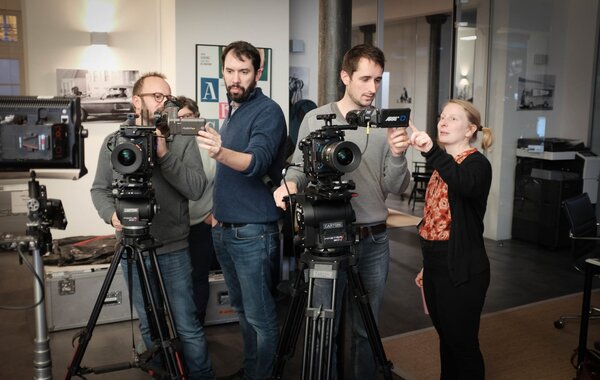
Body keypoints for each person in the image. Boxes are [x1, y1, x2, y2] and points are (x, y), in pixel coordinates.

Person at [273, 44, 412, 379]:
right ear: (345, 76)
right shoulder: (314, 118)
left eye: (378, 80)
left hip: (374, 239)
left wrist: (396, 154)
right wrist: (287, 185)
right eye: (365, 79)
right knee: (325, 327)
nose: (372, 88)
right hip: (328, 238)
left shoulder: (385, 124)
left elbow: (398, 186)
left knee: (367, 329)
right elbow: (299, 169)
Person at [90, 72, 214, 380]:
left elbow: (196, 188)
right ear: (136, 102)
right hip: (132, 248)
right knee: (148, 322)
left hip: (173, 247)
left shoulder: (181, 138)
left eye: (168, 98)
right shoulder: (114, 142)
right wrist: (111, 215)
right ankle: (162, 374)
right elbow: (99, 190)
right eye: (157, 97)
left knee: (186, 324)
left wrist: (163, 153)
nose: (164, 104)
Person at [196, 41, 287, 380]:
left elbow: (256, 162)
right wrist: (217, 211)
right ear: (222, 72)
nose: (236, 79)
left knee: (261, 317)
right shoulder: (233, 110)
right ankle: (252, 370)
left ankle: (263, 374)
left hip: (253, 232)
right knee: (243, 312)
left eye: (244, 72)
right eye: (230, 71)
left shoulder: (268, 111)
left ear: (258, 73)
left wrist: (220, 153)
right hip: (226, 229)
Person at [411, 99, 494, 379]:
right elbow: (435, 219)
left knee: (463, 345)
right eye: (441, 117)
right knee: (447, 340)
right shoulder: (442, 166)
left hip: (463, 268)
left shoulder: (477, 165)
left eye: (453, 119)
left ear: (470, 129)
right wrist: (427, 264)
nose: (443, 123)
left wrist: (431, 150)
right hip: (436, 265)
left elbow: (462, 182)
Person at [177, 95, 218, 325]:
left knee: (198, 278)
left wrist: (213, 214)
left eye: (189, 117)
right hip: (175, 225)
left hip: (202, 223)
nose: (184, 122)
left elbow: (223, 181)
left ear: (197, 118)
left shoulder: (209, 144)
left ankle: (197, 327)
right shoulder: (167, 144)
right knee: (176, 281)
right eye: (179, 118)